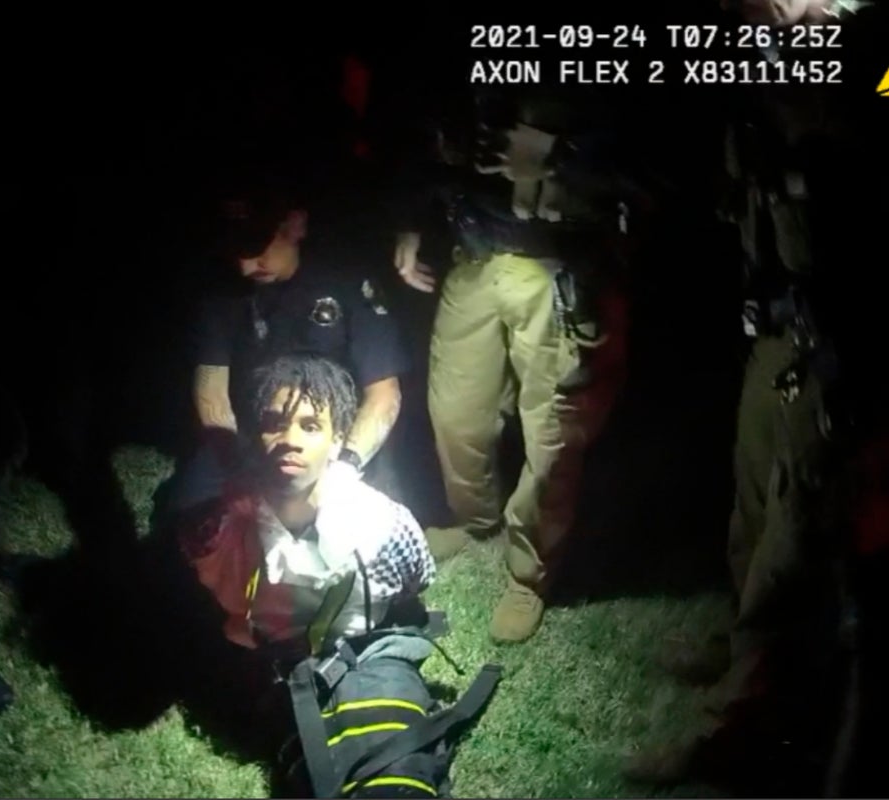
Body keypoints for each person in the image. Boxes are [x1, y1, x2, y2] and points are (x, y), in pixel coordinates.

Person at [623, 0, 887, 789]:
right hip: (782, 324)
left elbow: (864, 106)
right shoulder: (763, 51)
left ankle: (739, 720)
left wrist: (821, 57)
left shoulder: (870, 49)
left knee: (791, 542)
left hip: (845, 346)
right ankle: (744, 646)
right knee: (751, 508)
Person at [174, 353, 499, 798]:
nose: (290, 440)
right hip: (276, 664)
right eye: (274, 424)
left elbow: (415, 579)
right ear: (254, 435)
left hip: (369, 651)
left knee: (391, 765)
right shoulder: (221, 529)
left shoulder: (381, 525)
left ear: (337, 439)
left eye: (310, 426)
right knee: (309, 757)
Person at [389, 87, 649, 642]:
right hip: (475, 250)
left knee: (553, 434)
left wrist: (558, 154)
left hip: (560, 266)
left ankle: (531, 572)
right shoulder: (463, 56)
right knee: (456, 412)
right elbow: (425, 130)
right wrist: (413, 219)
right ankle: (474, 519)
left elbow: (649, 159)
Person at [172, 166, 412, 514]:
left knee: (362, 523)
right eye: (238, 250)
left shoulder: (345, 279)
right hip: (256, 438)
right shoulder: (221, 293)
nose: (246, 266)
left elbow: (384, 394)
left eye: (258, 247)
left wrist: (346, 465)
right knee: (192, 515)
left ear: (296, 224)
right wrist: (239, 464)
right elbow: (212, 390)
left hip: (334, 438)